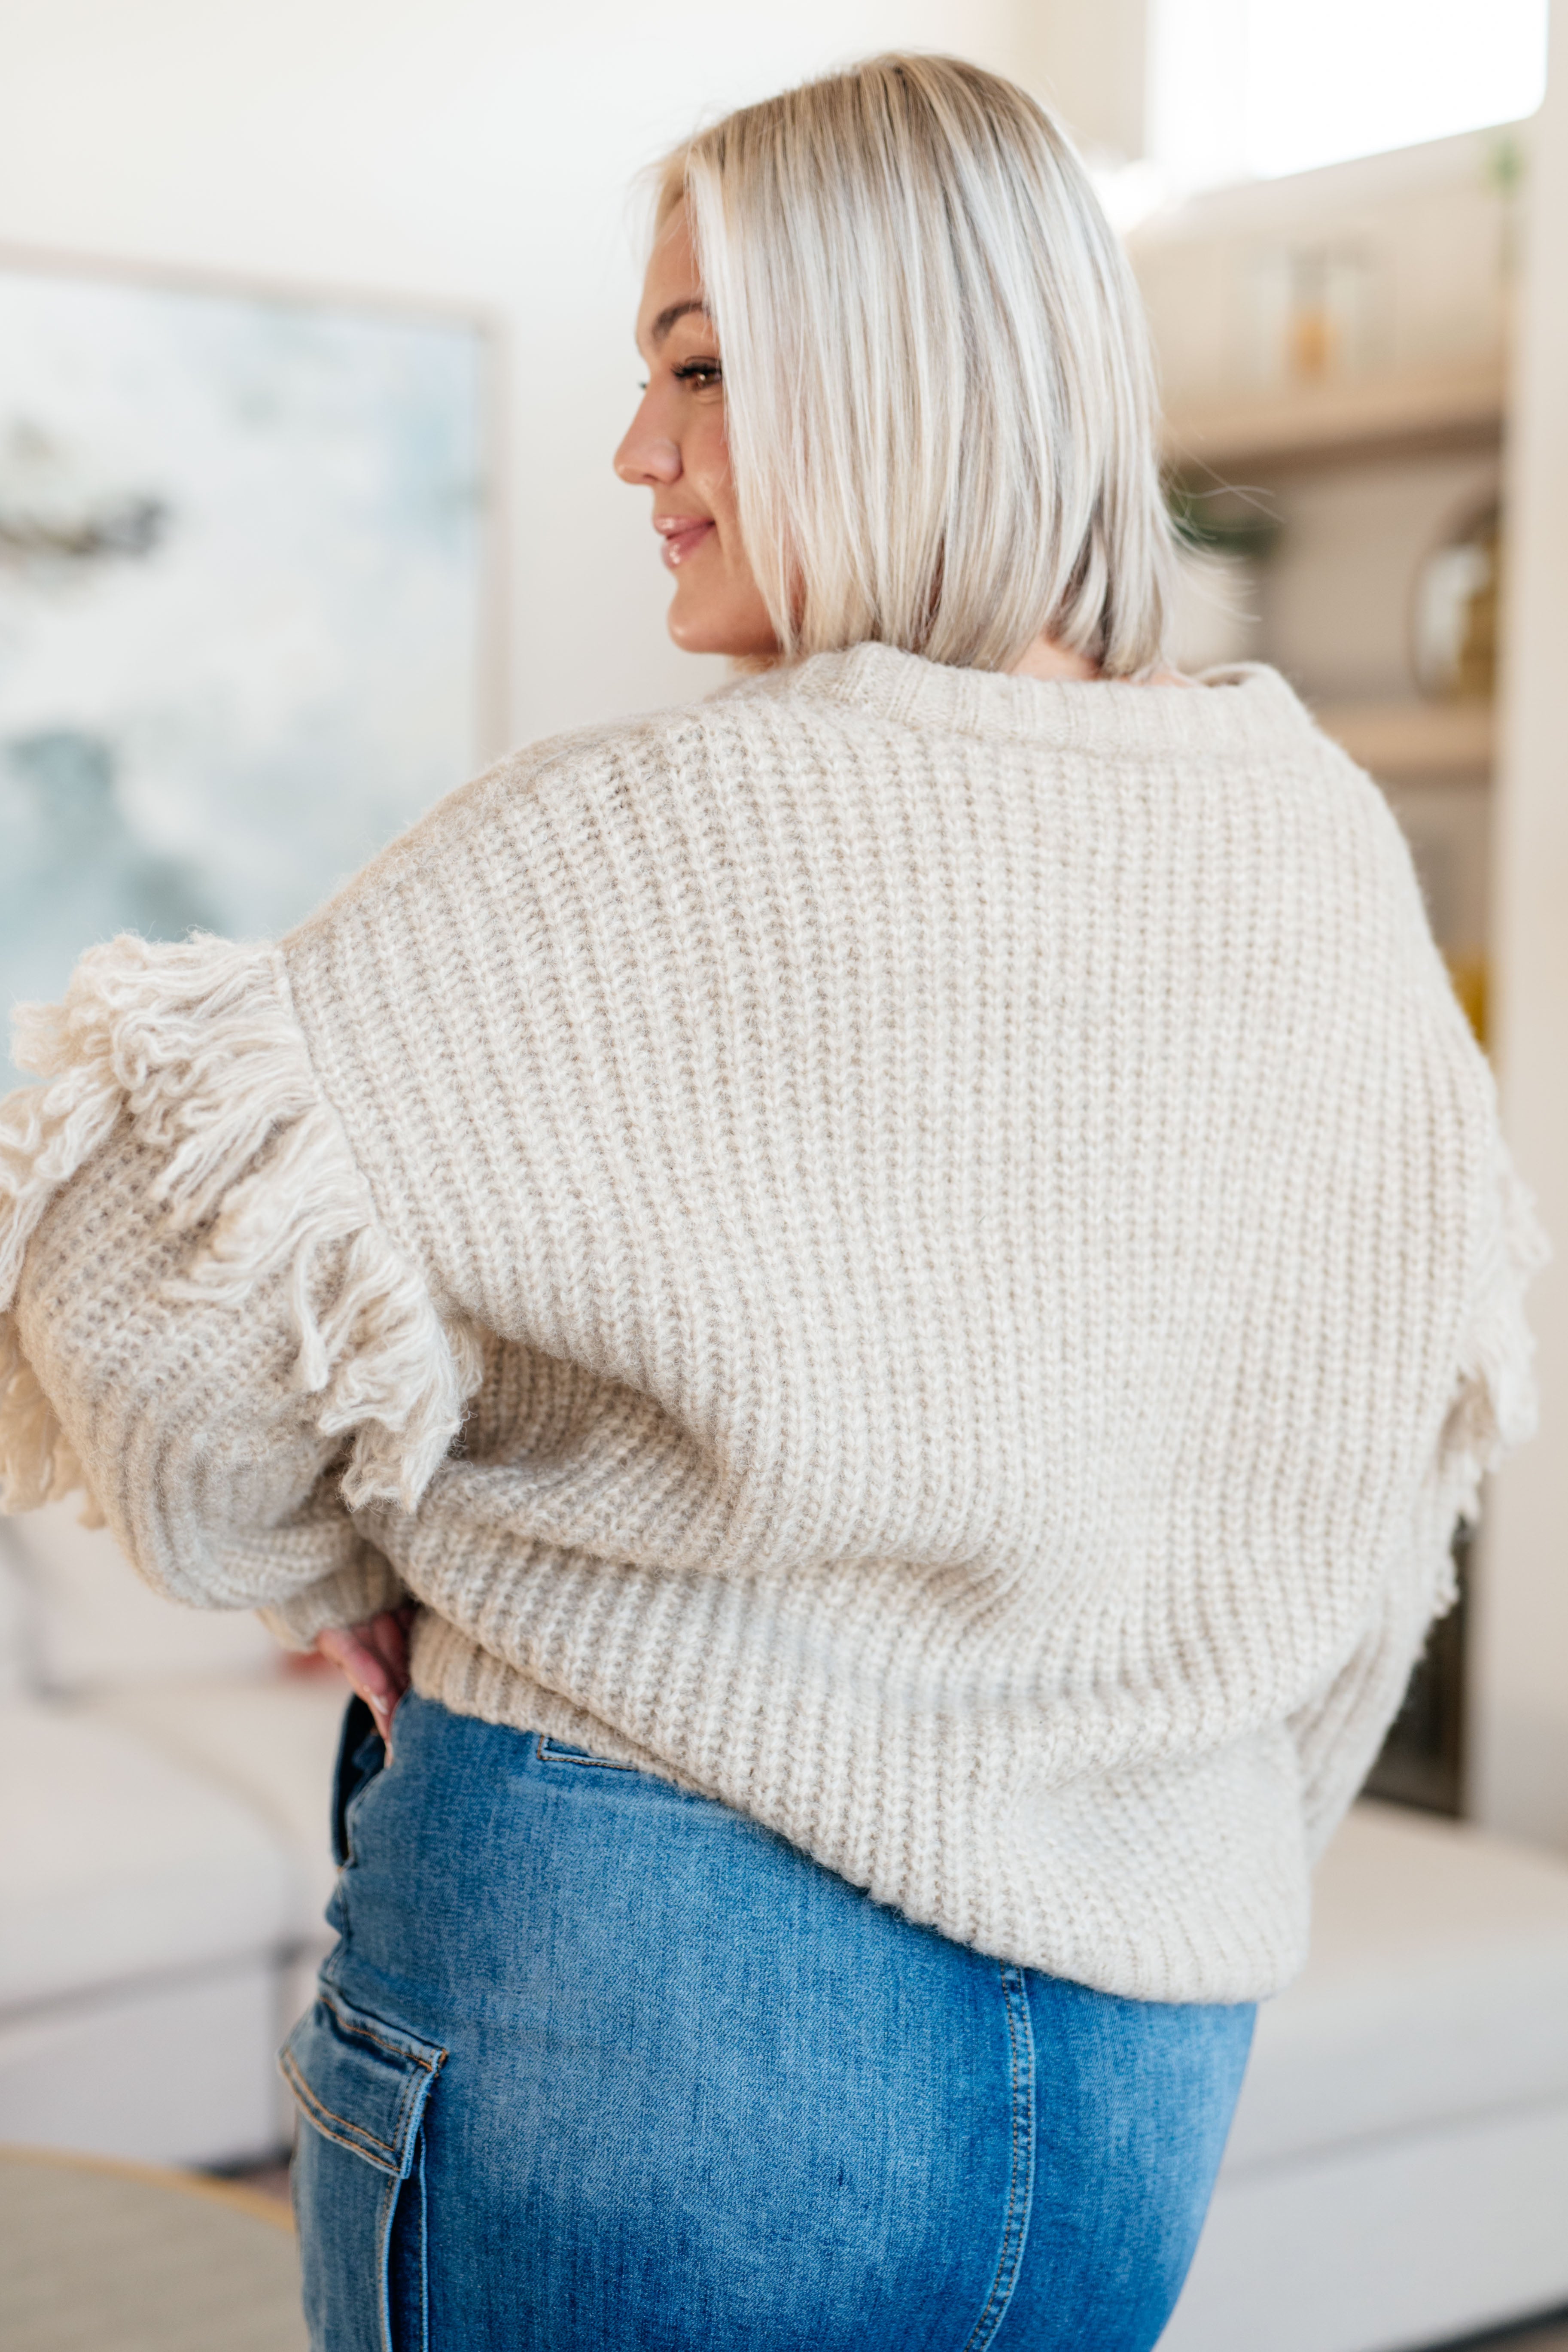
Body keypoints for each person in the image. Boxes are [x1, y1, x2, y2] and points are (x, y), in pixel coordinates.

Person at [0, 53, 1539, 2352]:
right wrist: (1149, 1807)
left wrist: (341, 1566)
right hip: (1143, 2025)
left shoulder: (621, 839)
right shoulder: (1312, 847)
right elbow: (1396, 1452)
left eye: (700, 373)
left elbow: (124, 1272)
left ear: (895, 373)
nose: (638, 452)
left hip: (625, 1969)